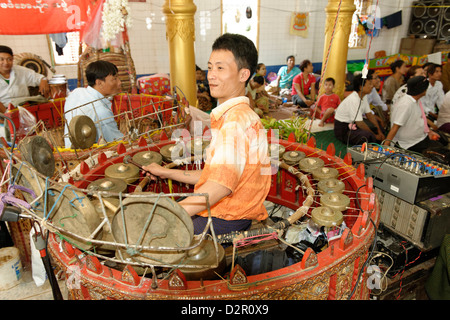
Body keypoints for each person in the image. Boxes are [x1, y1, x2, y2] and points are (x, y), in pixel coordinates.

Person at [142, 33, 271, 236]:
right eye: (210, 67)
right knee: (163, 207)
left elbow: (219, 187)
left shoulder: (235, 122)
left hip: (226, 218)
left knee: (151, 229)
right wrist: (165, 172)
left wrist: (170, 214)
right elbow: (214, 177)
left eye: (220, 68)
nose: (211, 75)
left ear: (243, 74)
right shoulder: (238, 116)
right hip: (230, 211)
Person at [64, 60, 124, 148]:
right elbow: (117, 141)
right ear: (99, 83)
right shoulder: (101, 111)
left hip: (70, 151)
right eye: (114, 79)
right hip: (90, 157)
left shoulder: (76, 93)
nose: (119, 82)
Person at [383, 76, 442, 153]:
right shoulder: (406, 104)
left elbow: (421, 118)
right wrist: (385, 147)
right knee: (441, 153)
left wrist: (429, 132)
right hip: (408, 144)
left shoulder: (416, 100)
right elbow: (395, 127)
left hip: (420, 139)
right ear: (422, 90)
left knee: (442, 142)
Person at [334, 74, 385, 145]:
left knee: (378, 128)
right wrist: (375, 135)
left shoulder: (363, 96)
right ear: (361, 87)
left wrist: (379, 131)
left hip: (353, 125)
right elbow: (360, 123)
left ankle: (376, 140)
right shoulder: (354, 99)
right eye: (369, 84)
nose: (372, 86)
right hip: (343, 130)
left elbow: (369, 115)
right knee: (367, 136)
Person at [0, 45, 50, 113]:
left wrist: (43, 80)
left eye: (9, 59)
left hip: (24, 108)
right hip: (3, 111)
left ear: (13, 59)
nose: (6, 63)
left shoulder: (21, 71)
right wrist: (6, 115)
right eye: (1, 59)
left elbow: (40, 77)